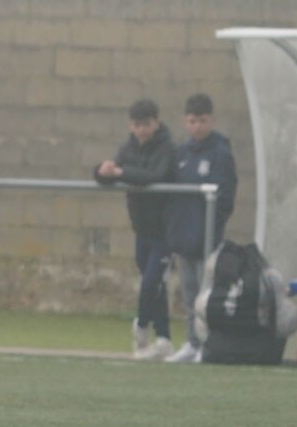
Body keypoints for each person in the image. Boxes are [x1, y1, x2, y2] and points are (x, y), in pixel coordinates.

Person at [95, 99, 177, 360]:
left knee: (151, 281)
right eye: (137, 125)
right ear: (130, 126)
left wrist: (120, 172)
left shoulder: (166, 147)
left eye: (147, 124)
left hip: (165, 231)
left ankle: (141, 325)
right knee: (157, 286)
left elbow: (155, 175)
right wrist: (102, 171)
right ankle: (163, 337)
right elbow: (112, 173)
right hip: (142, 230)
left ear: (156, 123)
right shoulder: (128, 148)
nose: (142, 130)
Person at [163, 93, 237, 364]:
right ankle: (191, 343)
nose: (197, 127)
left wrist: (211, 230)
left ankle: (209, 344)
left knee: (207, 297)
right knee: (189, 294)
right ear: (186, 122)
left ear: (212, 121)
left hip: (207, 239)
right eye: (192, 121)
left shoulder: (220, 154)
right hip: (184, 238)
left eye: (202, 121)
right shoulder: (181, 154)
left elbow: (225, 198)